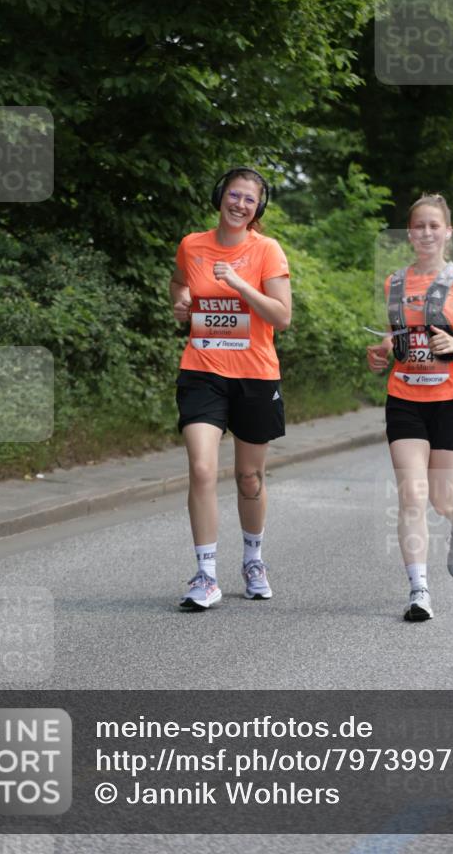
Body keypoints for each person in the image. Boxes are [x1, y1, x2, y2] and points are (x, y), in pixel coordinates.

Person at [367, 194, 453, 622]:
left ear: (447, 233)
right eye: (418, 226)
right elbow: (399, 339)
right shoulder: (395, 282)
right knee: (412, 494)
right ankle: (419, 590)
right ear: (409, 233)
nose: (425, 233)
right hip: (405, 397)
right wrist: (382, 352)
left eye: (433, 226)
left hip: (452, 401)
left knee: (444, 500)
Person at [169, 167, 292, 610]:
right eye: (234, 195)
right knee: (202, 469)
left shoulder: (267, 251)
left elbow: (281, 317)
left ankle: (253, 560)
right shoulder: (192, 245)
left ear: (259, 208)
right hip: (202, 370)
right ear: (220, 196)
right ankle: (205, 575)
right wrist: (181, 304)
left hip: (255, 375)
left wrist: (240, 284)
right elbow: (180, 283)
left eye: (249, 199)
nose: (240, 204)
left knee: (248, 477)